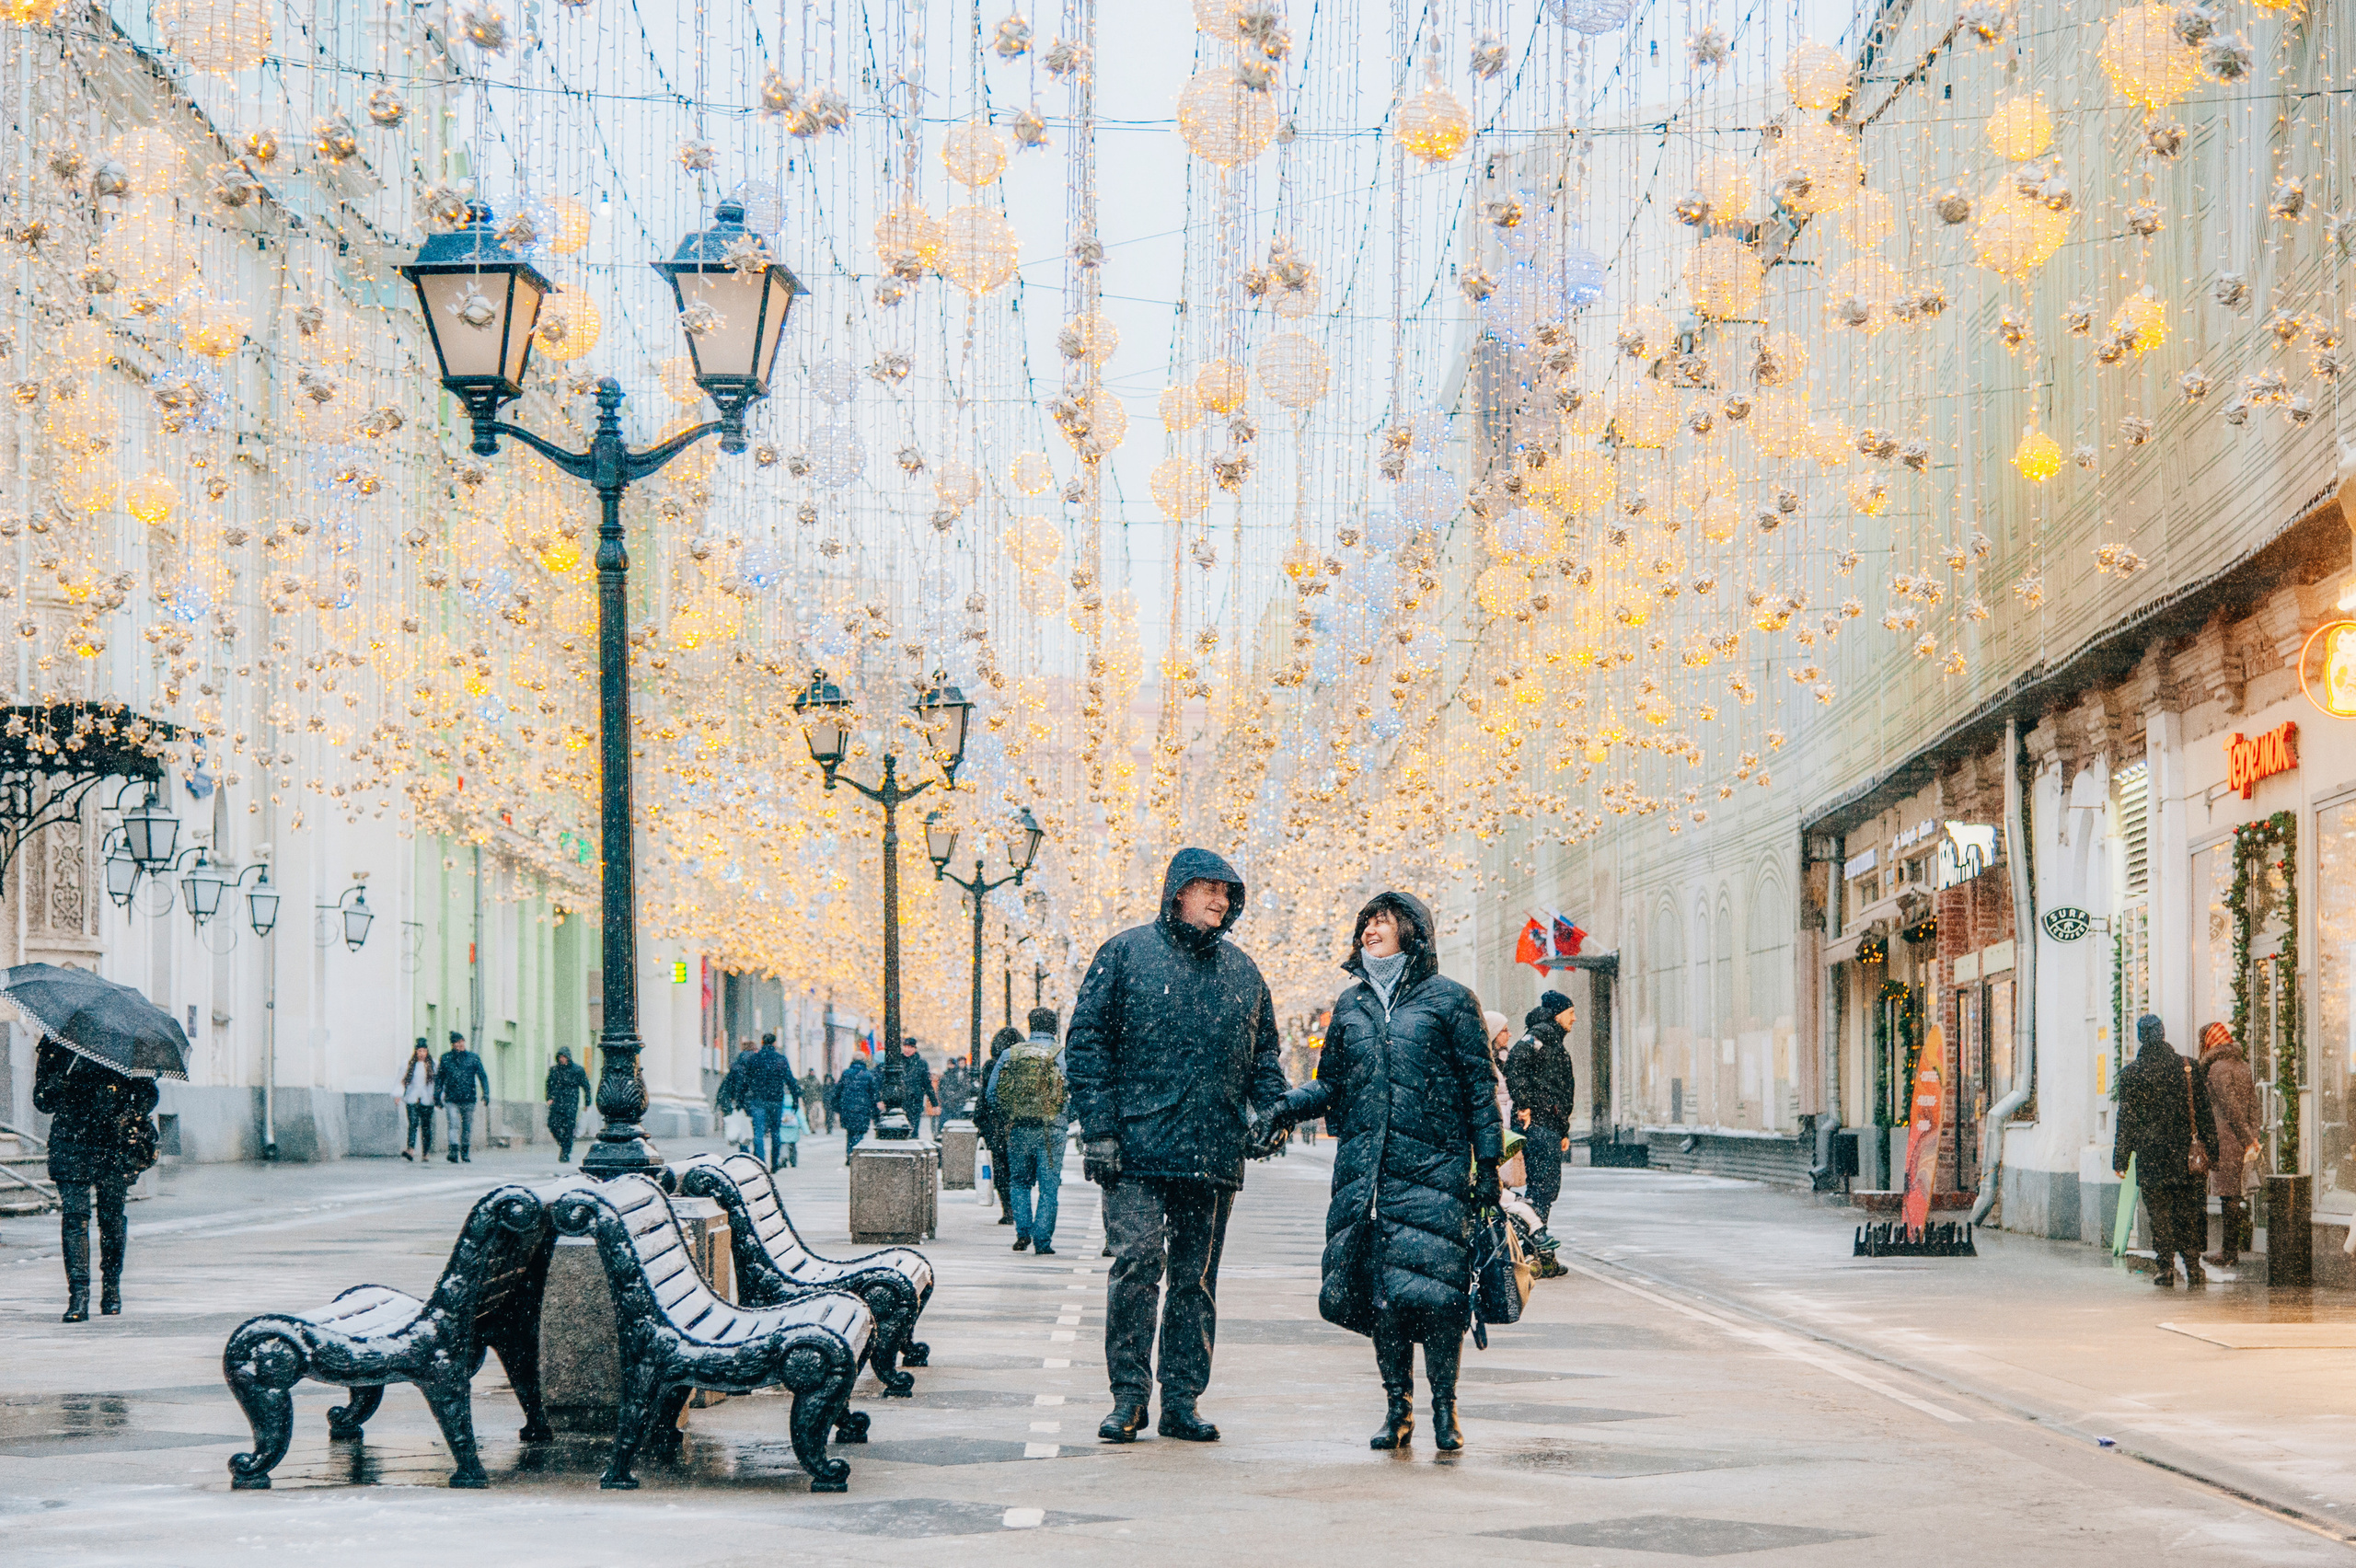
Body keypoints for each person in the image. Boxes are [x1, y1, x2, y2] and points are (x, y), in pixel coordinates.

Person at [1261, 892, 1502, 1452]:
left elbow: (1478, 1087)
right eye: (1367, 922)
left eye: (1385, 921)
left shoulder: (1450, 1001)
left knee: (1441, 1299)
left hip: (1436, 1170)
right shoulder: (1352, 1005)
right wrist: (1286, 1105)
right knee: (1386, 1300)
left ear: (1412, 931)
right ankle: (1398, 1409)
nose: (1372, 930)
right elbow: (1333, 1085)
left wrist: (1487, 1163)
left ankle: (1446, 1410)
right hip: (1369, 1176)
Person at [1066, 847, 1288, 1446]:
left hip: (1212, 1151)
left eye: (1227, 891)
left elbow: (1265, 1058)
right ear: (1177, 891)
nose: (1219, 899)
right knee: (1136, 1262)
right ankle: (1130, 1397)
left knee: (1195, 1279)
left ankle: (1182, 1398)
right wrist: (1101, 1131)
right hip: (1135, 1148)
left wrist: (1273, 1113)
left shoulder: (1243, 973)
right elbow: (1087, 1045)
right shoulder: (1125, 954)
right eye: (1208, 888)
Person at [34, 1037, 159, 1321]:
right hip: (71, 1140)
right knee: (75, 1218)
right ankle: (78, 1296)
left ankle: (112, 1289)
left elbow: (149, 1093)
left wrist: (130, 1107)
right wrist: (58, 1084)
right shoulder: (57, 1045)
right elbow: (42, 1100)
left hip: (111, 1142)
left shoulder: (126, 1045)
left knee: (111, 1219)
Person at [2114, 1014, 2220, 1287]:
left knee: (2159, 1214)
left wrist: (2121, 1158)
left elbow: (2126, 1118)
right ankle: (2193, 1266)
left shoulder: (2131, 1074)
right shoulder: (2188, 1067)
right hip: (2185, 1155)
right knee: (2189, 1210)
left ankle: (2165, 1267)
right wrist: (2213, 1151)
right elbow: (2205, 1113)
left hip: (2151, 1156)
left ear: (2140, 1037)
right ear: (2162, 1033)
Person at [1504, 990, 1578, 1250]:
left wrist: (1563, 1131)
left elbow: (1559, 1090)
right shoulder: (1538, 1037)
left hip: (1549, 1126)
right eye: (1570, 1013)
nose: (1574, 1019)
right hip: (1538, 1125)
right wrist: (1523, 1105)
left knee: (1545, 1187)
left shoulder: (1552, 1040)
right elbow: (1515, 1065)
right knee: (1541, 1187)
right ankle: (1530, 1244)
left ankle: (1534, 1243)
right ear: (1558, 1015)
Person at [997, 1006, 1069, 1256]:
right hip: (1052, 1130)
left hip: (1018, 1128)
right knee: (1049, 1188)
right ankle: (1043, 1241)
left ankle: (1023, 1232)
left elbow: (992, 1093)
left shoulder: (1011, 1053)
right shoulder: (1060, 1054)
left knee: (1019, 1182)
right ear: (1053, 1027)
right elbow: (1074, 1090)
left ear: (1030, 1026)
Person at [2199, 1021, 2263, 1268]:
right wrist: (2253, 1136)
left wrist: (2246, 1137)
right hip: (2243, 1139)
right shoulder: (2243, 1066)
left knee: (2229, 1198)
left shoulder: (2216, 1069)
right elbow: (2253, 1104)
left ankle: (2229, 1252)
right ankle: (2230, 1250)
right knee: (2234, 1195)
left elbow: (2230, 1107)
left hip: (2225, 1140)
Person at [977, 1025, 1022, 1222]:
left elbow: (984, 1099)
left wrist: (982, 1124)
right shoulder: (1024, 1064)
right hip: (1020, 1124)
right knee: (1019, 1171)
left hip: (997, 1126)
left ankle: (1008, 1210)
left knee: (1001, 1169)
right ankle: (1021, 1208)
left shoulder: (990, 1066)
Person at [738, 1032, 795, 1171]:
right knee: (776, 1131)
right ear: (775, 1043)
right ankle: (774, 1163)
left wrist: (741, 1097)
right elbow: (790, 1080)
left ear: (762, 1043)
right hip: (776, 1099)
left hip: (758, 1099)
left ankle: (761, 1162)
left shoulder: (755, 1059)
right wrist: (795, 1098)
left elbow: (746, 1080)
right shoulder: (781, 1059)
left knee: (758, 1132)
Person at [436, 1031, 491, 1163]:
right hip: (451, 1098)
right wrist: (437, 1095)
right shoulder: (446, 1058)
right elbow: (439, 1078)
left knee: (467, 1126)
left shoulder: (473, 1058)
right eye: (457, 1042)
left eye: (462, 1042)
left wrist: (486, 1093)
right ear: (453, 1044)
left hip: (469, 1098)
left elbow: (482, 1076)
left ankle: (465, 1151)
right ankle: (454, 1151)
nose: (460, 1045)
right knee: (453, 1124)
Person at [544, 1047, 592, 1163]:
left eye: (564, 1057)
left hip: (571, 1102)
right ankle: (563, 1144)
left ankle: (565, 1152)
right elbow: (549, 1085)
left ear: (568, 1058)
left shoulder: (577, 1070)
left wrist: (587, 1102)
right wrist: (549, 1098)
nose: (562, 1060)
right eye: (560, 1057)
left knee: (569, 1127)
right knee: (552, 1124)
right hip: (557, 1101)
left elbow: (586, 1087)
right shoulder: (554, 1070)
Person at [836, 1045, 878, 1159]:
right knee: (859, 1133)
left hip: (848, 1108)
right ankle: (856, 1155)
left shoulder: (846, 1074)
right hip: (863, 1109)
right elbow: (873, 1094)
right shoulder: (868, 1075)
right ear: (864, 1061)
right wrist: (875, 1111)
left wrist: (838, 1107)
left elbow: (838, 1091)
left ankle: (850, 1154)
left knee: (850, 1133)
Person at [399, 1038, 436, 1161]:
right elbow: (402, 1080)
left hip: (427, 1099)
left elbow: (437, 1083)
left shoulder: (432, 1065)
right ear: (416, 1052)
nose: (421, 1054)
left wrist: (436, 1096)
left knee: (426, 1126)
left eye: (424, 1051)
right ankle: (410, 1149)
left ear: (427, 1052)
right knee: (413, 1123)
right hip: (412, 1097)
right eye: (419, 1051)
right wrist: (398, 1094)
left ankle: (425, 1152)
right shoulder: (409, 1065)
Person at [937, 1055, 974, 1138]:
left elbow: (963, 1089)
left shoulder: (955, 1075)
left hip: (954, 1102)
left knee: (950, 1121)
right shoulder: (949, 1076)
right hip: (950, 1102)